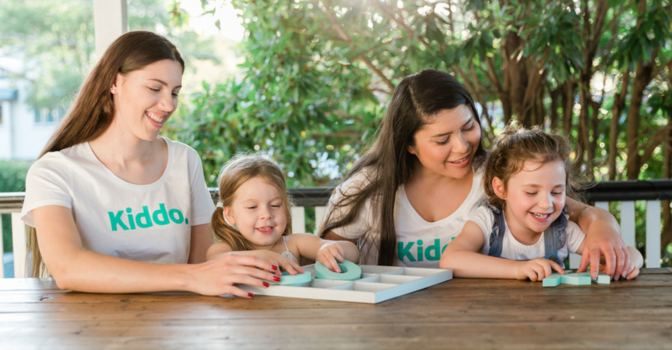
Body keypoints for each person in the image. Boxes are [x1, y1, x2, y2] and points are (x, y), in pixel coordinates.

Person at [20, 31, 278, 297]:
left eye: (175, 92)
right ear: (114, 82)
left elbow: (202, 264)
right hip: (93, 329)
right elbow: (67, 268)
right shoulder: (53, 172)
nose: (168, 105)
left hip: (179, 324)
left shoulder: (184, 160)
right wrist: (190, 277)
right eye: (154, 88)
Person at [320, 69, 630, 280]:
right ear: (409, 145)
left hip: (479, 314)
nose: (462, 146)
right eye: (442, 140)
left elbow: (577, 213)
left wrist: (605, 226)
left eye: (468, 127)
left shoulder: (493, 176)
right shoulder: (369, 189)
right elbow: (324, 255)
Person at [439, 126, 643, 280]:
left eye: (556, 192)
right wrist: (516, 269)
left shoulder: (564, 231)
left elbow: (629, 253)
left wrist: (629, 262)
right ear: (501, 189)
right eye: (531, 192)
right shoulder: (487, 221)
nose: (546, 204)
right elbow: (450, 259)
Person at [206, 155, 360, 274]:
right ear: (230, 214)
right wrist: (259, 256)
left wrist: (326, 250)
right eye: (252, 207)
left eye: (275, 205)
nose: (266, 214)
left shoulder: (295, 243)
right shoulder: (224, 249)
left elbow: (353, 252)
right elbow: (215, 263)